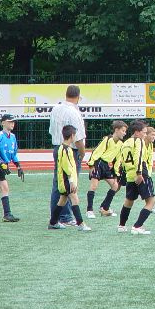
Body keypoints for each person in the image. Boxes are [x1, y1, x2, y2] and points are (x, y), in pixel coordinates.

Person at [49, 85, 86, 225]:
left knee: (58, 183)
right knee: (70, 183)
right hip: (71, 150)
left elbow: (52, 130)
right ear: (78, 97)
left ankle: (56, 217)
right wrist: (82, 153)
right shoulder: (74, 112)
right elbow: (78, 138)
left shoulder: (55, 109)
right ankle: (65, 217)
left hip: (57, 147)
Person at [48, 125, 91, 231]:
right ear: (72, 135)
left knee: (62, 200)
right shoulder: (66, 149)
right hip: (66, 180)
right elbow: (67, 167)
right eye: (75, 135)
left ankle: (53, 222)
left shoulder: (63, 148)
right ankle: (81, 224)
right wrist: (71, 181)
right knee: (75, 199)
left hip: (65, 180)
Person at [116, 120, 155, 234]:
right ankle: (137, 226)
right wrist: (139, 173)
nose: (145, 135)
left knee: (129, 201)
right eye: (144, 132)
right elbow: (138, 157)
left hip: (129, 175)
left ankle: (121, 225)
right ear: (137, 132)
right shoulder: (139, 141)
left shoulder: (125, 143)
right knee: (151, 201)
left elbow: (122, 161)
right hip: (140, 173)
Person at [0, 113, 24, 222]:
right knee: (5, 187)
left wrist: (18, 165)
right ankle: (7, 214)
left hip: (4, 165)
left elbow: (14, 153)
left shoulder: (13, 137)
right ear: (3, 123)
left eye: (13, 122)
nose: (12, 123)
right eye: (10, 121)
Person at [86, 120, 127, 219]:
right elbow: (96, 151)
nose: (124, 133)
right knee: (94, 186)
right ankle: (89, 210)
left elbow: (118, 160)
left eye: (125, 131)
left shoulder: (121, 144)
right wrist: (91, 165)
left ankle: (104, 208)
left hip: (107, 167)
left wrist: (116, 174)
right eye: (123, 131)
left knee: (115, 186)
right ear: (116, 130)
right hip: (98, 163)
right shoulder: (107, 139)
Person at [144, 126, 155, 214]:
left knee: (149, 188)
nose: (154, 137)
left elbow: (149, 160)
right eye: (152, 135)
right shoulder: (141, 144)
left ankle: (149, 206)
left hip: (145, 171)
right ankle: (105, 206)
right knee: (116, 186)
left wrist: (149, 171)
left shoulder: (150, 145)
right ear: (146, 135)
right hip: (136, 170)